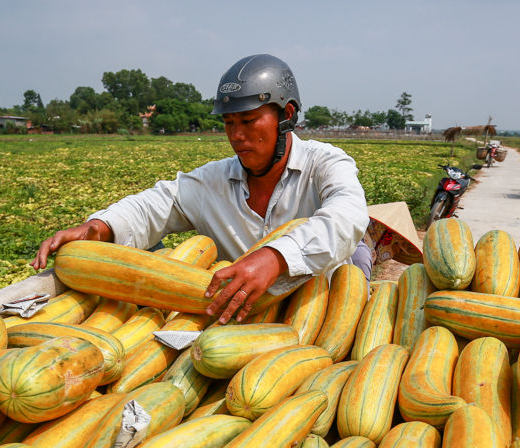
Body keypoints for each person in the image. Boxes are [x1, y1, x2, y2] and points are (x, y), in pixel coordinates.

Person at [30, 54, 368, 324]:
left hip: (313, 315)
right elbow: (156, 205)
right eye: (228, 123)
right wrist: (99, 227)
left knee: (358, 257)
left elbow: (347, 215)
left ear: (286, 114)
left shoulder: (325, 164)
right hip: (234, 320)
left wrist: (276, 257)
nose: (237, 135)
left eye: (248, 121)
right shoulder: (213, 181)